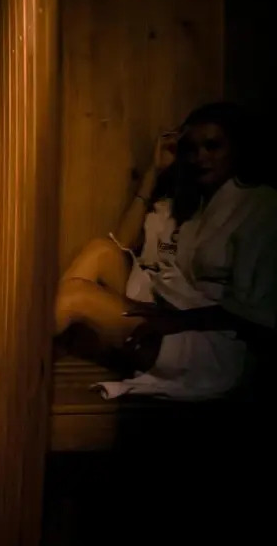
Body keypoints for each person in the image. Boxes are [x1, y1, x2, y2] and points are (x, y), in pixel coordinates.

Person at [54, 102, 277, 399]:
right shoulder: (191, 204)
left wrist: (174, 320)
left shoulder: (260, 207)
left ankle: (23, 360)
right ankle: (43, 351)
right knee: (100, 250)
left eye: (213, 146)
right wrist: (153, 173)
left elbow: (258, 315)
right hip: (167, 310)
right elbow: (120, 246)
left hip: (213, 342)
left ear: (236, 149)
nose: (200, 157)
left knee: (76, 297)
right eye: (191, 149)